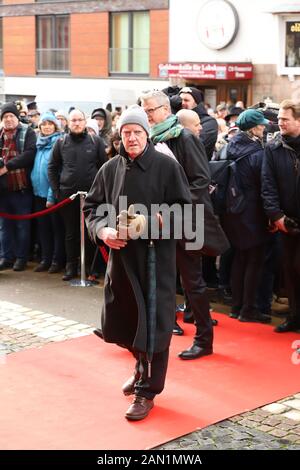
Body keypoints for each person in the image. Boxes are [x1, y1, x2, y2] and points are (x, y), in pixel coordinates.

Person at [84, 105, 191, 421]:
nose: (131, 138)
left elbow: (187, 214)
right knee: (124, 321)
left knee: (155, 324)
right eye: (126, 133)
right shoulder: (110, 169)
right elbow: (92, 208)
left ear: (147, 134)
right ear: (119, 136)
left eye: (137, 132)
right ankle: (140, 365)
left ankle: (147, 390)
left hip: (155, 260)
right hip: (121, 260)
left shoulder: (166, 167)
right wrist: (103, 231)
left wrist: (147, 224)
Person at [140, 90, 229, 359]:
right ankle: (153, 330)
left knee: (192, 282)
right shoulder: (150, 139)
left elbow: (201, 181)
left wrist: (169, 210)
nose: (147, 116)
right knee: (158, 278)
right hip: (157, 219)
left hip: (185, 220)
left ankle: (204, 340)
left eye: (150, 111)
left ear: (166, 110)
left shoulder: (185, 137)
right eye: (144, 111)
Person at [221, 109, 271, 323]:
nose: (264, 128)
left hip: (231, 210)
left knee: (240, 257)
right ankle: (249, 309)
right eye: (260, 125)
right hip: (252, 211)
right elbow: (265, 185)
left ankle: (236, 306)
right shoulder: (258, 152)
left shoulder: (228, 146)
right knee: (255, 259)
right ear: (252, 128)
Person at [48, 109, 107, 280]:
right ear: (68, 122)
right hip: (68, 196)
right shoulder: (61, 142)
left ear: (85, 121)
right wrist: (57, 191)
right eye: (73, 120)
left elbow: (104, 167)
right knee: (71, 233)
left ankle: (90, 267)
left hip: (92, 196)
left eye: (80, 120)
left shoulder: (96, 141)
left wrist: (102, 192)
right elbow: (52, 167)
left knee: (90, 233)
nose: (77, 123)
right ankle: (71, 267)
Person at [262, 99, 300, 333]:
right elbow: (268, 184)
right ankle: (295, 317)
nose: (280, 123)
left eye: (285, 119)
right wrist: (276, 216)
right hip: (286, 221)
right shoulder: (273, 148)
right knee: (290, 271)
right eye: (278, 120)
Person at [0, 102, 37, 271]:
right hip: (3, 189)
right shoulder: (0, 134)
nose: (8, 119)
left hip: (22, 187)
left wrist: (7, 167)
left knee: (22, 226)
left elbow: (29, 154)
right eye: (5, 116)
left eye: (11, 116)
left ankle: (21, 258)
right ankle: (6, 257)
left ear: (17, 117)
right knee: (4, 225)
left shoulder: (27, 132)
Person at [31, 111, 65, 273]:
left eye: (50, 123)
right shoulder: (39, 144)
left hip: (52, 195)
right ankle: (46, 258)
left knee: (55, 229)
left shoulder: (58, 143)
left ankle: (56, 260)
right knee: (43, 228)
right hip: (38, 194)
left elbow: (57, 171)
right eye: (43, 124)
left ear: (55, 126)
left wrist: (52, 195)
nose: (46, 127)